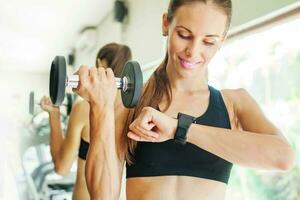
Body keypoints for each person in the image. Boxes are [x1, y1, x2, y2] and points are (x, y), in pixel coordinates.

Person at [75, 0, 295, 199]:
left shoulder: (234, 104)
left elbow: (282, 157)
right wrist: (101, 107)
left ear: (222, 41)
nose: (193, 51)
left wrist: (178, 129)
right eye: (184, 35)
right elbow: (103, 196)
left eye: (209, 41)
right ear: (165, 24)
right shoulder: (131, 102)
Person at [40, 43, 132, 200]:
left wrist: (53, 116)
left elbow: (62, 168)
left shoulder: (83, 107)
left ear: (99, 63)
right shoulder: (135, 113)